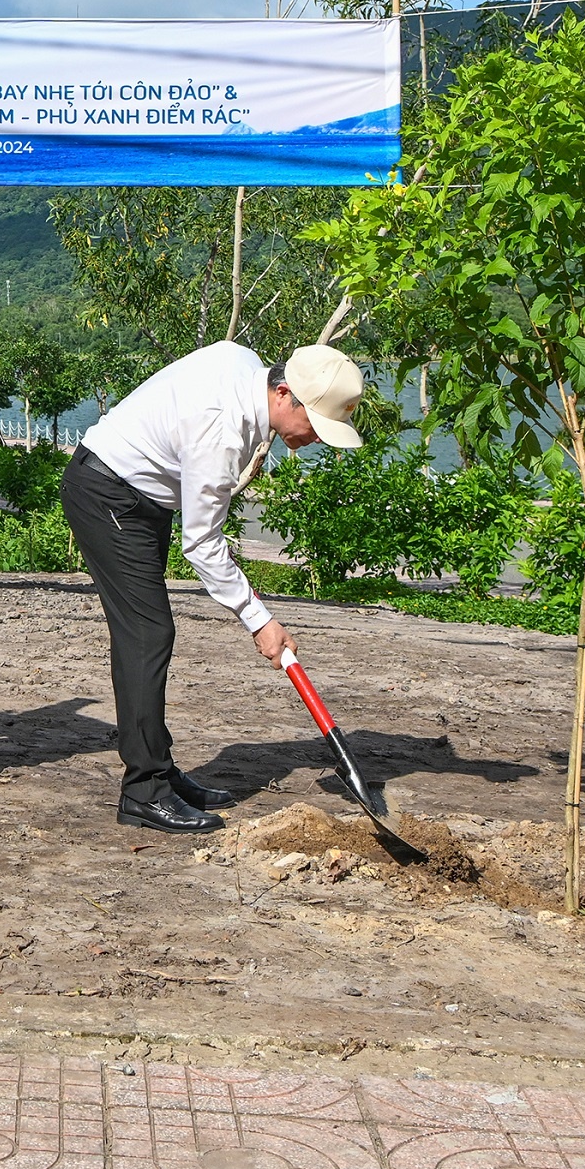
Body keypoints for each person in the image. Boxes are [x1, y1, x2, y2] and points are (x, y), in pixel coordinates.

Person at [64, 341, 363, 833]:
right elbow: (201, 543)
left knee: (146, 635)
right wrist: (259, 619)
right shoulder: (222, 429)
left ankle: (159, 769)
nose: (317, 439)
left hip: (142, 498)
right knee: (147, 635)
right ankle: (144, 791)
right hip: (108, 495)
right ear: (284, 393)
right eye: (315, 424)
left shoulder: (246, 366)